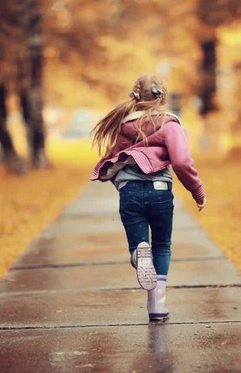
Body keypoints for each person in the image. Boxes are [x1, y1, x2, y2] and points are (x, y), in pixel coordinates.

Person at [90, 74, 206, 322]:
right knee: (162, 246)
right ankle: (156, 307)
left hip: (130, 192)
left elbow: (113, 160)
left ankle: (137, 252)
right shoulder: (170, 124)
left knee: (140, 244)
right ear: (161, 97)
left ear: (135, 96)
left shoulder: (123, 126)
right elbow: (182, 162)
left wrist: (124, 187)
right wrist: (197, 191)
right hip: (160, 192)